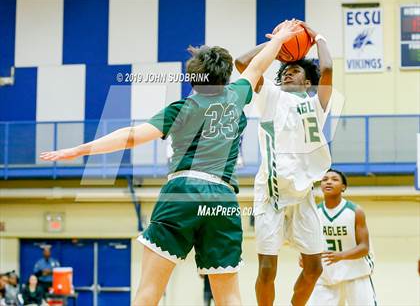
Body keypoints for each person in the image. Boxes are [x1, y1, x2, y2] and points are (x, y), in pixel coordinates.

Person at [40, 20, 303, 305]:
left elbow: (130, 137)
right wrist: (282, 38)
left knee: (149, 291)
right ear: (225, 76)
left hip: (182, 192)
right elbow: (257, 67)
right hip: (223, 198)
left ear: (193, 77)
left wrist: (78, 150)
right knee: (229, 297)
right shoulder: (237, 95)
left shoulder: (181, 108)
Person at [235, 21, 333, 306]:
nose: (288, 73)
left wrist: (319, 37)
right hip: (271, 193)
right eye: (285, 71)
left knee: (314, 268)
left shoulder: (317, 104)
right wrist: (277, 42)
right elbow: (242, 63)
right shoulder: (270, 97)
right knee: (267, 268)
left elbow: (327, 70)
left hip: (303, 194)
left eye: (295, 71)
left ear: (307, 82)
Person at [305, 169, 377, 306]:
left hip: (356, 274)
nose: (329, 182)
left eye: (334, 179)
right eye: (325, 179)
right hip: (326, 277)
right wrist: (305, 256)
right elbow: (310, 243)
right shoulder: (315, 212)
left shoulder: (355, 211)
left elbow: (364, 248)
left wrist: (341, 256)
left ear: (343, 187)